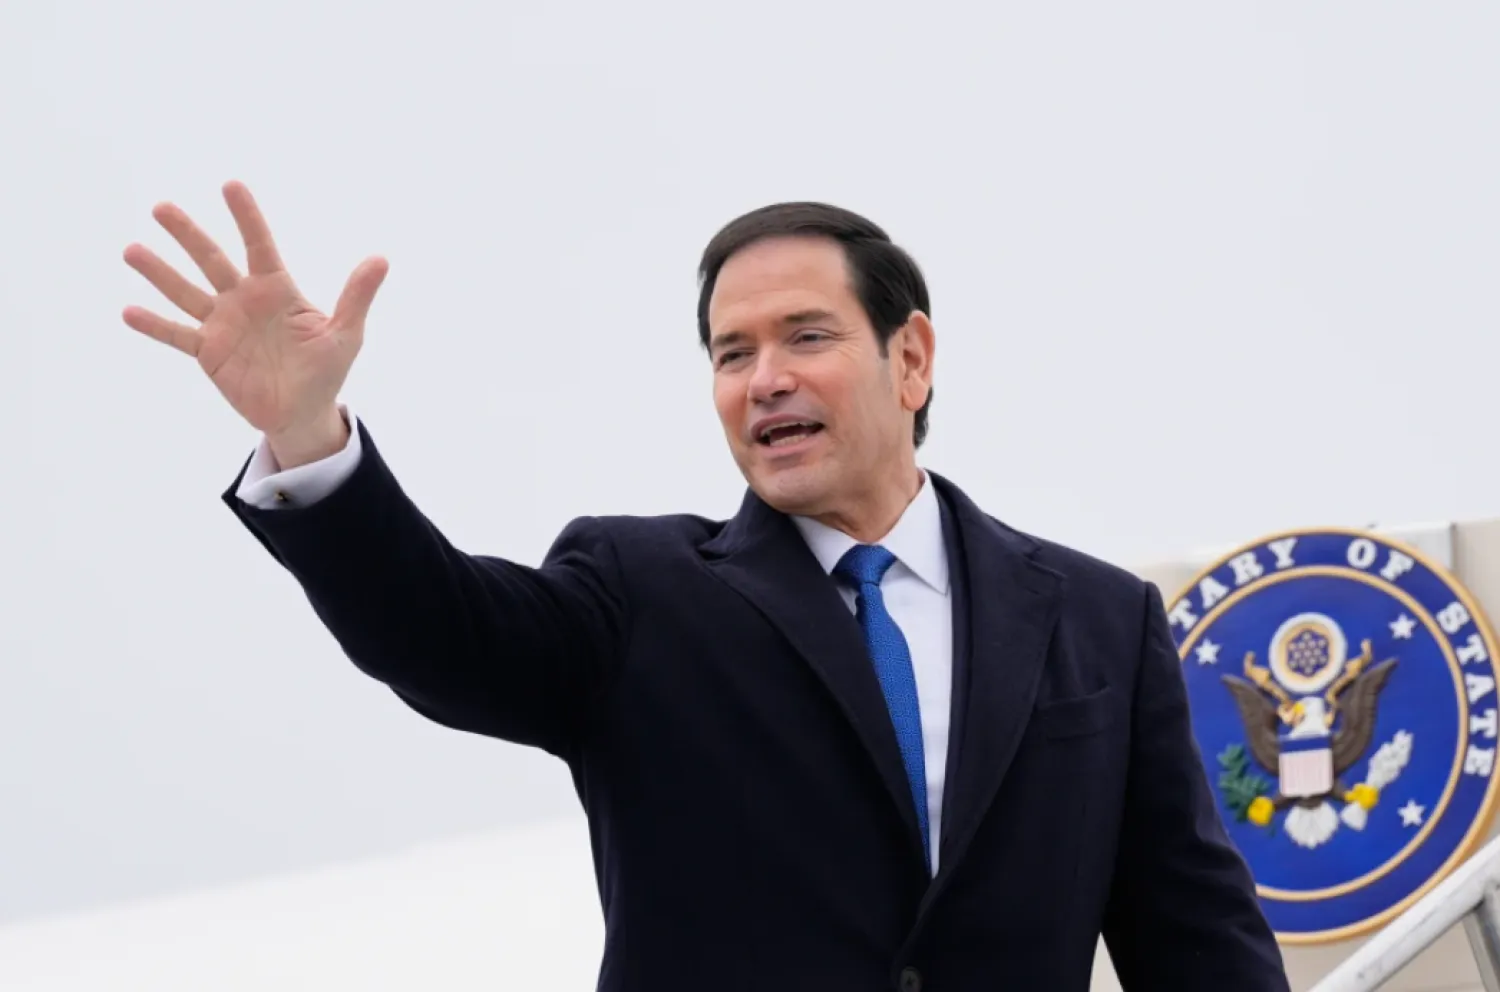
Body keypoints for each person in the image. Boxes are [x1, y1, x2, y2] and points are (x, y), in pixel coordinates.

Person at [121, 181, 1290, 991]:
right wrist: (309, 431)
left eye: (805, 336)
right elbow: (442, 631)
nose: (763, 378)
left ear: (913, 356)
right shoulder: (640, 590)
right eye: (732, 353)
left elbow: (1195, 937)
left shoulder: (1097, 619)